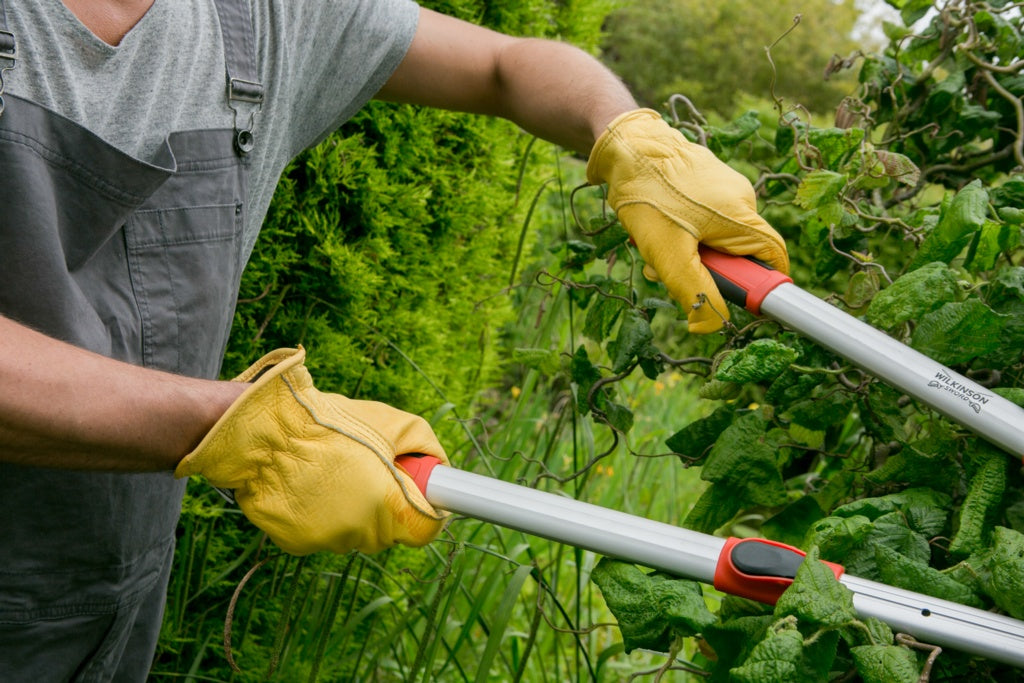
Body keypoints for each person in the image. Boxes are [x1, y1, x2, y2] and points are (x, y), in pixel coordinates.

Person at [0, 0, 788, 679]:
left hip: (104, 600)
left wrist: (627, 134)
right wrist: (248, 431)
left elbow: (505, 65)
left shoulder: (260, 19)